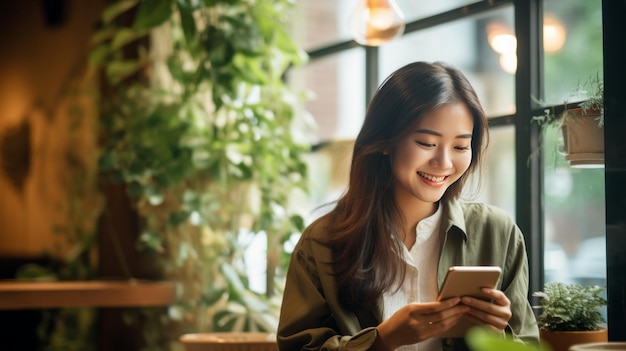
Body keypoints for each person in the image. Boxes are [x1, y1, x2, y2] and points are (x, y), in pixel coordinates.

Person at [276, 61, 539, 351]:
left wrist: (497, 336)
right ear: (386, 141)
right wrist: (383, 340)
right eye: (427, 143)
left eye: (461, 146)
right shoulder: (322, 243)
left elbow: (527, 344)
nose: (444, 163)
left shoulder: (497, 233)